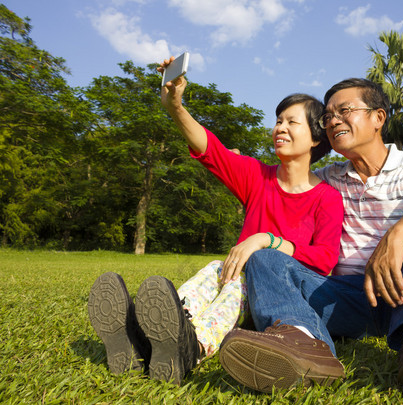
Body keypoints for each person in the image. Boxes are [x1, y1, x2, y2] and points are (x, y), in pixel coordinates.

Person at [86, 57, 344, 385]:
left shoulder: (327, 198)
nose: (279, 128)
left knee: (240, 283)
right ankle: (145, 337)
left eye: (291, 122)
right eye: (278, 121)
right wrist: (175, 106)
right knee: (215, 269)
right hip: (231, 274)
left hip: (276, 294)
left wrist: (267, 240)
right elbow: (212, 150)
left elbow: (324, 260)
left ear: (316, 139)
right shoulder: (257, 177)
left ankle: (190, 347)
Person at [218, 78, 403, 393]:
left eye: (345, 111)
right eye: (328, 117)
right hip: (345, 297)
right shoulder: (326, 180)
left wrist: (397, 235)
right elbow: (284, 182)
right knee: (266, 256)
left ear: (378, 118)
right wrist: (237, 162)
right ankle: (303, 340)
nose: (333, 121)